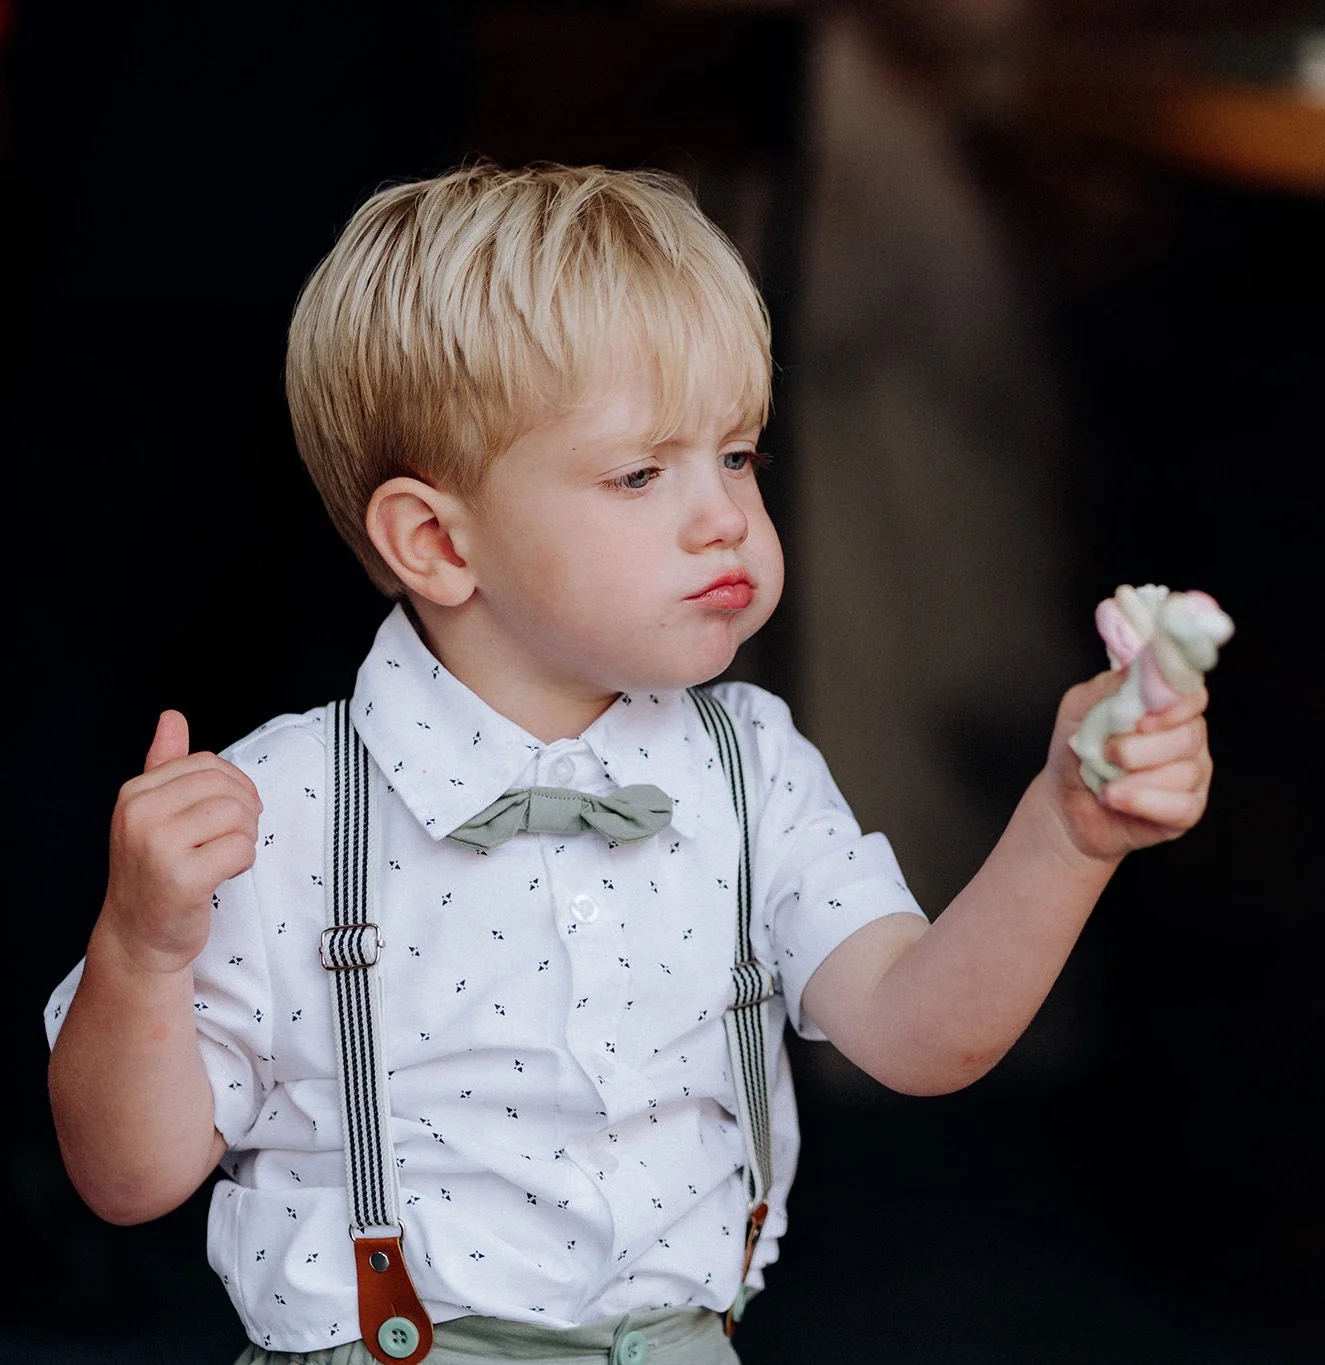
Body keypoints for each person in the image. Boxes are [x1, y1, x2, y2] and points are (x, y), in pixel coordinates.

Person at [43, 161, 1213, 1364]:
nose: (721, 516)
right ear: (437, 542)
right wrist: (140, 951)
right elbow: (130, 1179)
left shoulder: (752, 769)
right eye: (642, 473)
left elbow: (919, 1036)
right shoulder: (287, 809)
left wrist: (1064, 834)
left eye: (738, 456)